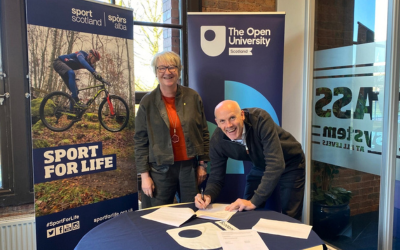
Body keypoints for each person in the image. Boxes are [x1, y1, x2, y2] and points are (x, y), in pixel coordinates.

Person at [195, 100, 305, 220]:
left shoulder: (260, 119)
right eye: (222, 121)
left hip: (291, 163)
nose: (229, 125)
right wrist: (207, 195)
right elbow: (216, 177)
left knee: (290, 216)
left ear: (242, 115)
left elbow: (276, 164)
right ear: (217, 122)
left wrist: (253, 202)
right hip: (260, 165)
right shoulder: (217, 140)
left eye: (232, 118)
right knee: (246, 211)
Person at [134, 51, 210, 209]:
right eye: (161, 68)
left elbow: (203, 131)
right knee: (156, 216)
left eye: (171, 67)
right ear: (155, 71)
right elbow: (140, 141)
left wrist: (202, 164)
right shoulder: (147, 102)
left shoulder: (193, 97)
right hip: (159, 170)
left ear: (179, 70)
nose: (167, 72)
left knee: (192, 212)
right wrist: (144, 175)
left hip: (189, 168)